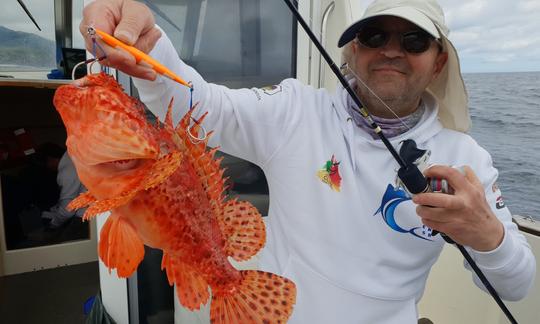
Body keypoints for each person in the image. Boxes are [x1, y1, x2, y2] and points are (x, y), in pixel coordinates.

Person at [80, 0, 536, 323]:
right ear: (352, 50)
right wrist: (149, 44)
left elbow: (516, 284)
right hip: (271, 316)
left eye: (414, 40)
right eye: (374, 35)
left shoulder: (466, 159)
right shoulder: (296, 111)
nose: (392, 50)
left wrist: (488, 235)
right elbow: (202, 106)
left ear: (438, 63)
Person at [41, 151, 87, 229]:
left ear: (51, 159)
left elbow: (68, 210)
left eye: (46, 164)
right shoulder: (75, 158)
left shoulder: (67, 171)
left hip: (87, 216)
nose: (48, 167)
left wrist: (54, 224)